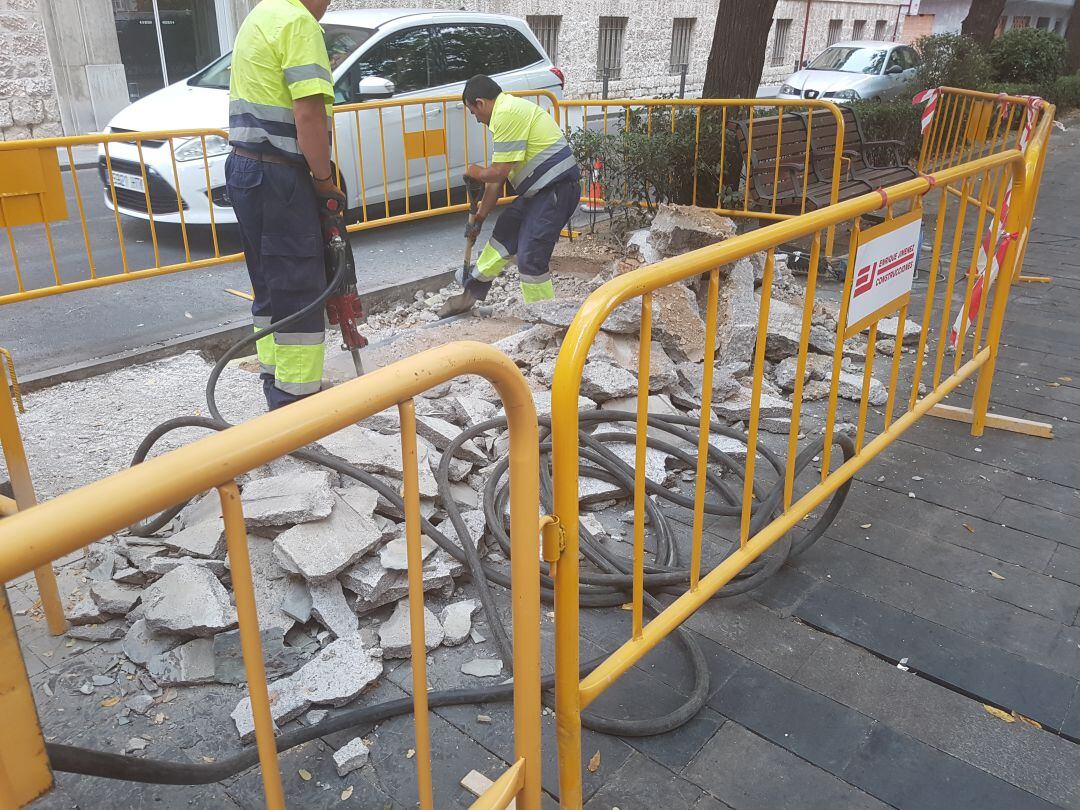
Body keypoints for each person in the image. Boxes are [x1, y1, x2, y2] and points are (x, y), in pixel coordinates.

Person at [225, 0, 343, 409]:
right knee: (298, 284)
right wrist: (324, 181)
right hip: (279, 173)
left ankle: (274, 380)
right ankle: (295, 401)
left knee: (269, 281)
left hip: (244, 167)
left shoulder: (262, 14)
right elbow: (309, 114)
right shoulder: (298, 22)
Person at [438, 75, 581, 317]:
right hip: (538, 191)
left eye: (473, 112)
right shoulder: (506, 112)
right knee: (504, 234)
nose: (477, 119)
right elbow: (497, 181)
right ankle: (471, 291)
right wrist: (479, 218)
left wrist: (474, 171)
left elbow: (497, 173)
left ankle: (544, 316)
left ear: (481, 103)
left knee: (530, 255)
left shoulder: (507, 114)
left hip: (556, 189)